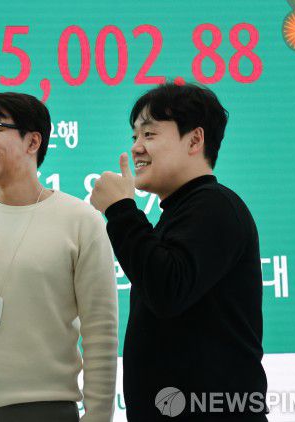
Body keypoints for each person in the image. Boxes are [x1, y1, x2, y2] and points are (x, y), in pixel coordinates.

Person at [0, 92, 119, 422]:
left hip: (46, 406)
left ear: (33, 141)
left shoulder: (81, 220)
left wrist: (99, 415)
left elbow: (100, 329)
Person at [90, 82, 268, 421]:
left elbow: (167, 289)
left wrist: (121, 210)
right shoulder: (182, 212)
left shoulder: (214, 205)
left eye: (149, 134)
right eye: (134, 137)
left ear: (195, 140)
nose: (136, 148)